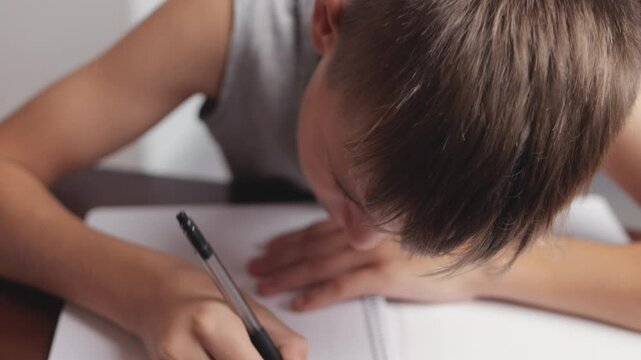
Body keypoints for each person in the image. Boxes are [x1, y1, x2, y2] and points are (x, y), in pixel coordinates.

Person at [1, 0, 641, 359]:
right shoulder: (225, 24)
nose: (368, 243)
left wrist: (481, 266)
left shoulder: (575, 82)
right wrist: (145, 290)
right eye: (347, 187)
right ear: (327, 21)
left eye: (426, 236)